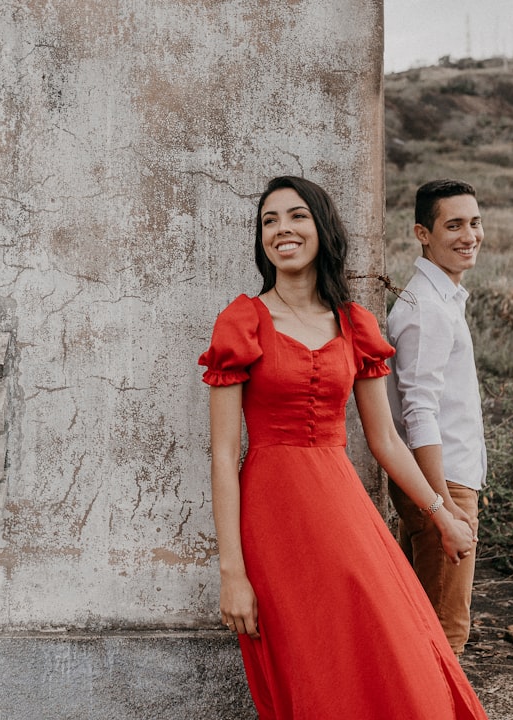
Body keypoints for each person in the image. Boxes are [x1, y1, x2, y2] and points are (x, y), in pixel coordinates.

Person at [199, 176, 487, 719]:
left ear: (322, 228)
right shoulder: (242, 321)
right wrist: (231, 573)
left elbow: (385, 440)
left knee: (394, 644)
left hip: (343, 505)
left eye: (296, 216)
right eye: (269, 220)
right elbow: (222, 456)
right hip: (273, 517)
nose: (282, 229)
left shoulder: (356, 324)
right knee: (313, 664)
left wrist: (441, 512)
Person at [386, 179, 487, 655]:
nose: (469, 235)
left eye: (474, 222)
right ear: (422, 233)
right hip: (442, 486)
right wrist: (444, 508)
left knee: (424, 626)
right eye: (454, 225)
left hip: (443, 483)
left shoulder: (442, 299)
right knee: (444, 637)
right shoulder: (427, 308)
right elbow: (418, 411)